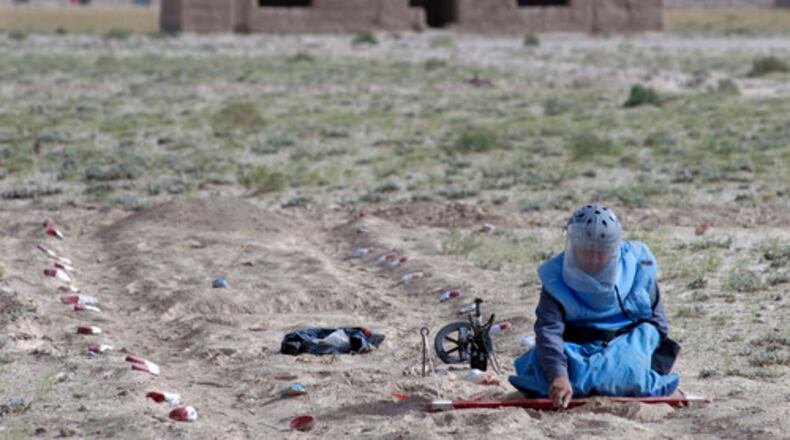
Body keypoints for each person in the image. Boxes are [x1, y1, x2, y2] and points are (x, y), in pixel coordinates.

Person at [509, 204, 680, 408]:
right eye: (586, 252)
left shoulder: (639, 266)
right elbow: (548, 331)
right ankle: (608, 377)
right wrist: (559, 375)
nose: (594, 259)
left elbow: (657, 325)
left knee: (627, 367)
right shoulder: (555, 278)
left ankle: (623, 375)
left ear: (614, 249)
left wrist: (635, 351)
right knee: (545, 370)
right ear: (572, 246)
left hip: (625, 343)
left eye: (602, 252)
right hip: (574, 347)